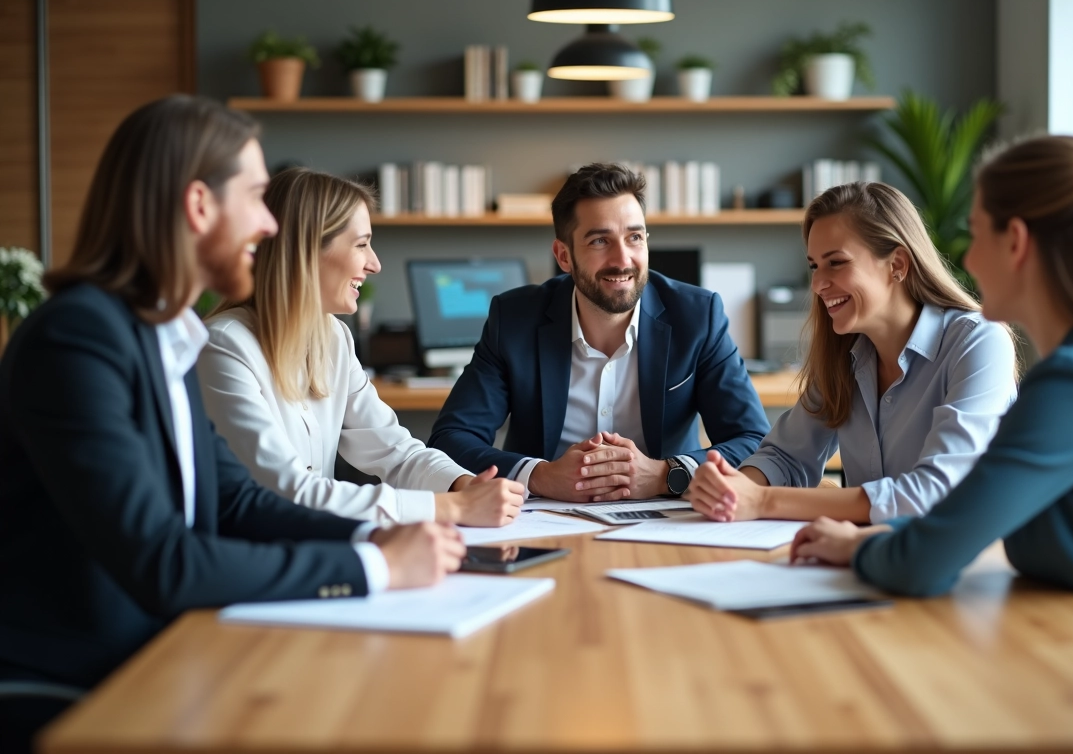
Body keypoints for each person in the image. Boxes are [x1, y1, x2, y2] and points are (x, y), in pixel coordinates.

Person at [0, 96, 466, 749]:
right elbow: (164, 561)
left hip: (164, 651)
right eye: (255, 198)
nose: (270, 225)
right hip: (81, 683)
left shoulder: (163, 335)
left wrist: (377, 534)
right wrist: (374, 566)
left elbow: (236, 500)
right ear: (199, 205)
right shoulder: (78, 340)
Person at [791, 137, 1073, 664]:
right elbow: (963, 521)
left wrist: (862, 546)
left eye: (975, 234)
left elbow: (925, 562)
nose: (967, 259)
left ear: (1015, 242)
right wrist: (872, 541)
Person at [197, 168, 523, 527]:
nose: (375, 264)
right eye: (361, 244)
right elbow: (287, 491)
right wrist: (451, 507)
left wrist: (463, 485)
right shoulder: (223, 346)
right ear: (307, 251)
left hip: (315, 543)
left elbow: (395, 452)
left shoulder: (333, 337)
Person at [428, 163, 770, 503]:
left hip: (667, 513)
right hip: (543, 515)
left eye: (634, 237)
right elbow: (451, 439)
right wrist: (542, 476)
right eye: (600, 241)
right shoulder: (515, 319)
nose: (622, 260)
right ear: (564, 256)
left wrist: (664, 475)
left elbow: (753, 440)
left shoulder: (697, 316)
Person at [688, 181, 1017, 524]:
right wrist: (734, 490)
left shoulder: (979, 342)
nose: (817, 284)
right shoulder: (844, 357)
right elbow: (786, 457)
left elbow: (936, 492)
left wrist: (763, 501)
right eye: (814, 266)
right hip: (871, 550)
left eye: (836, 262)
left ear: (897, 264)